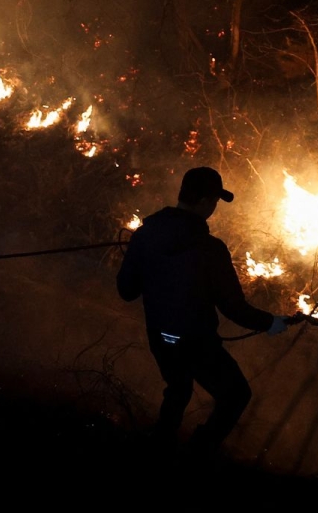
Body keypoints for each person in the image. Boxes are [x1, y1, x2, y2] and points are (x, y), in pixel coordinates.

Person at [116, 166, 289, 457]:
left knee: (179, 388)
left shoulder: (145, 235)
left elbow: (126, 291)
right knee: (235, 395)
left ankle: (158, 449)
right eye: (214, 202)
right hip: (195, 342)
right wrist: (270, 322)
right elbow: (233, 307)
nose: (214, 208)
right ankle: (197, 455)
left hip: (160, 335)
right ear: (205, 201)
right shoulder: (211, 249)